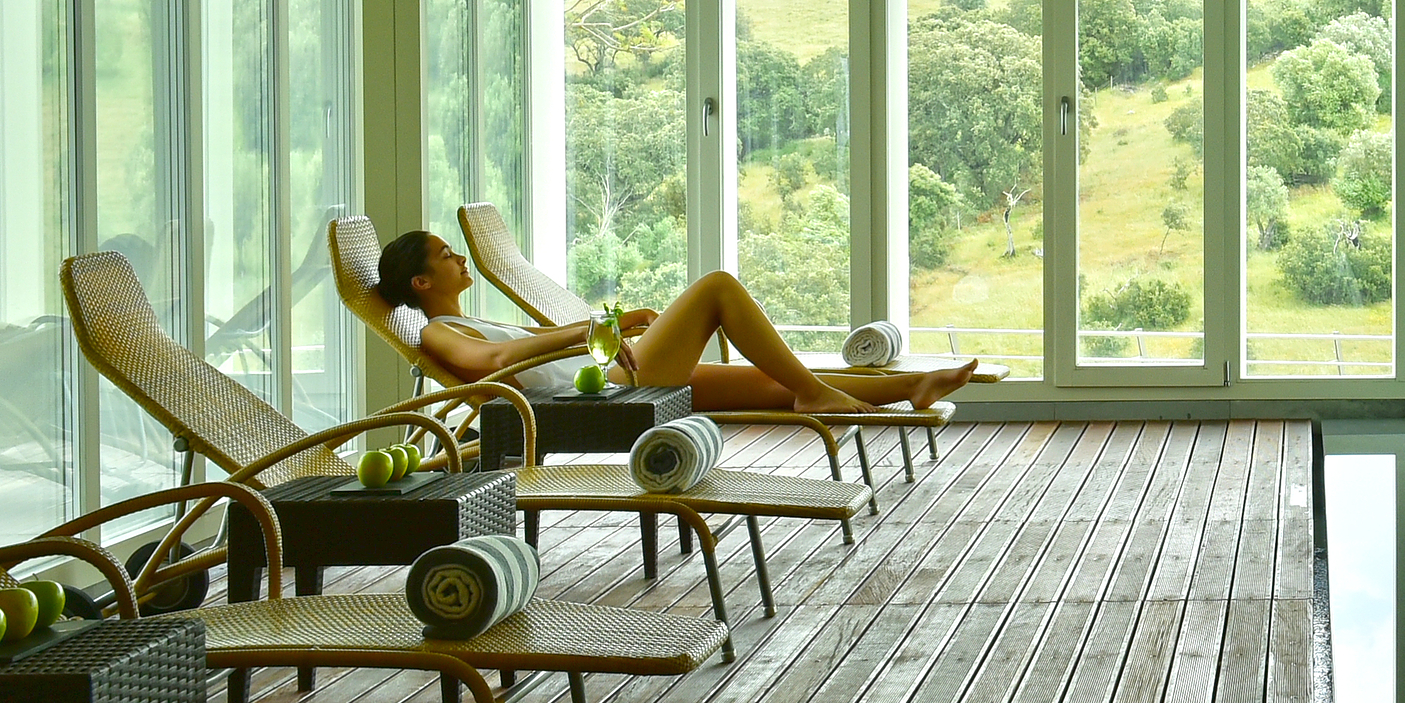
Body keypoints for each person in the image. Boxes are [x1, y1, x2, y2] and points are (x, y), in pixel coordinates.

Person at [375, 231, 974, 414]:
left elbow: (530, 342)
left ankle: (909, 386)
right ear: (421, 284)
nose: (459, 257)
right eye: (445, 255)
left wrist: (612, 323)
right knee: (716, 287)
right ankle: (819, 392)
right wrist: (595, 329)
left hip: (612, 372)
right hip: (607, 392)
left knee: (771, 386)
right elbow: (498, 364)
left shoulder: (474, 316)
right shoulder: (434, 332)